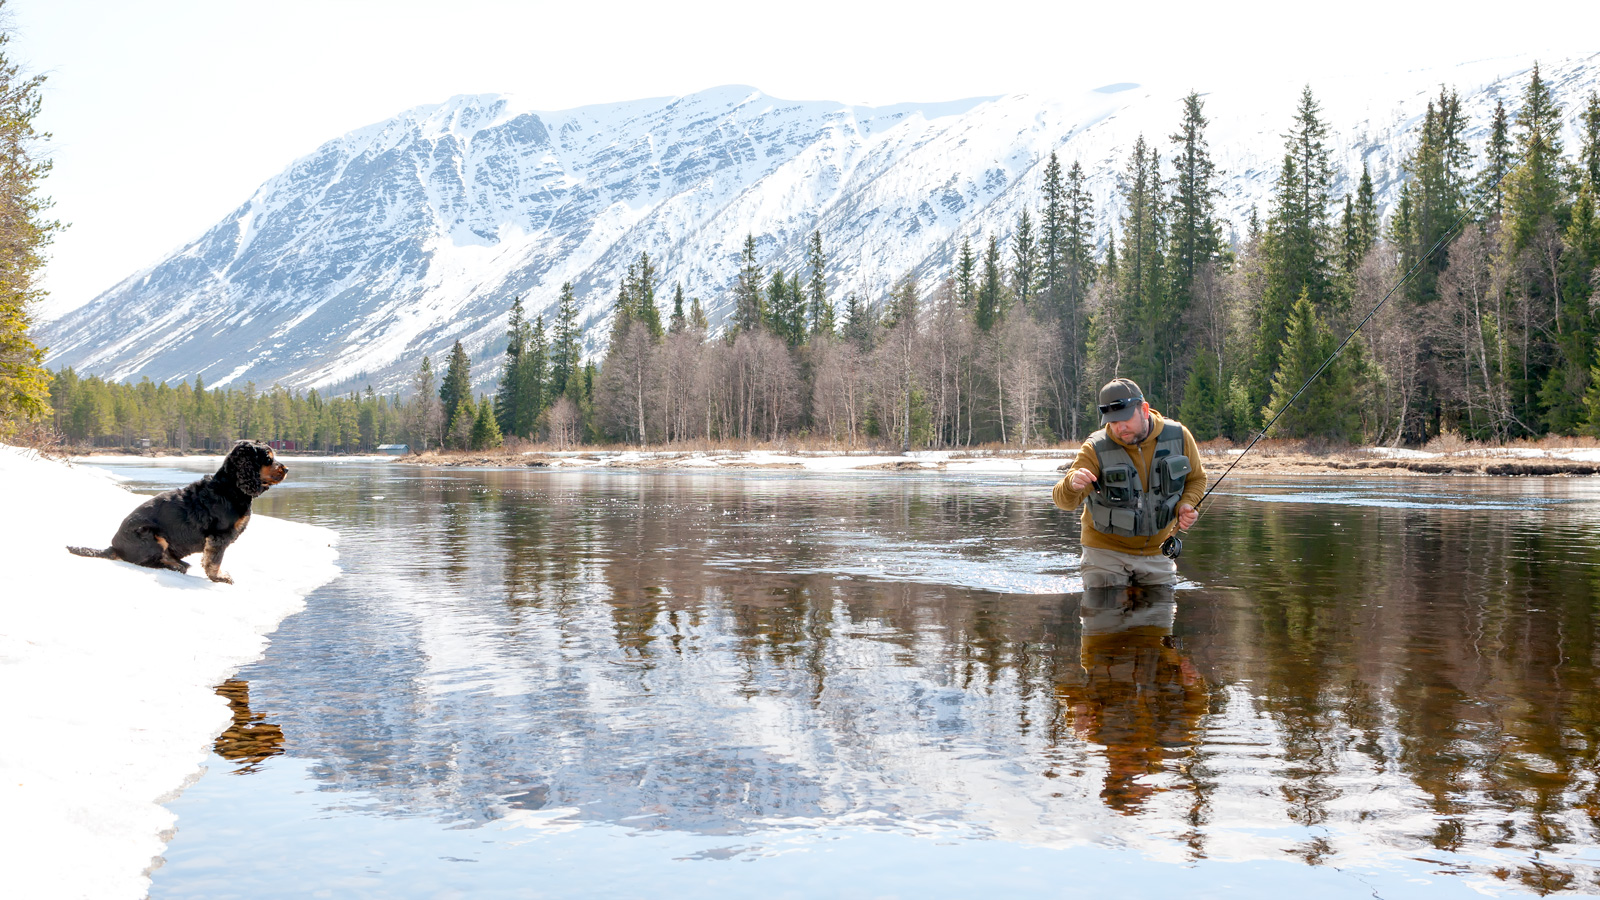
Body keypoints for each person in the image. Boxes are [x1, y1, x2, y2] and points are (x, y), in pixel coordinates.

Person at [1052, 378, 1206, 588]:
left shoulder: (1179, 436)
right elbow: (1064, 502)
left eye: (1125, 418)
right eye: (1112, 422)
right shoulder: (1094, 448)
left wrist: (1187, 505)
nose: (1120, 427)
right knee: (1104, 618)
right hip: (1104, 553)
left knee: (1158, 618)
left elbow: (1197, 479)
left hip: (1158, 552)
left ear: (1144, 409)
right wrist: (1071, 484)